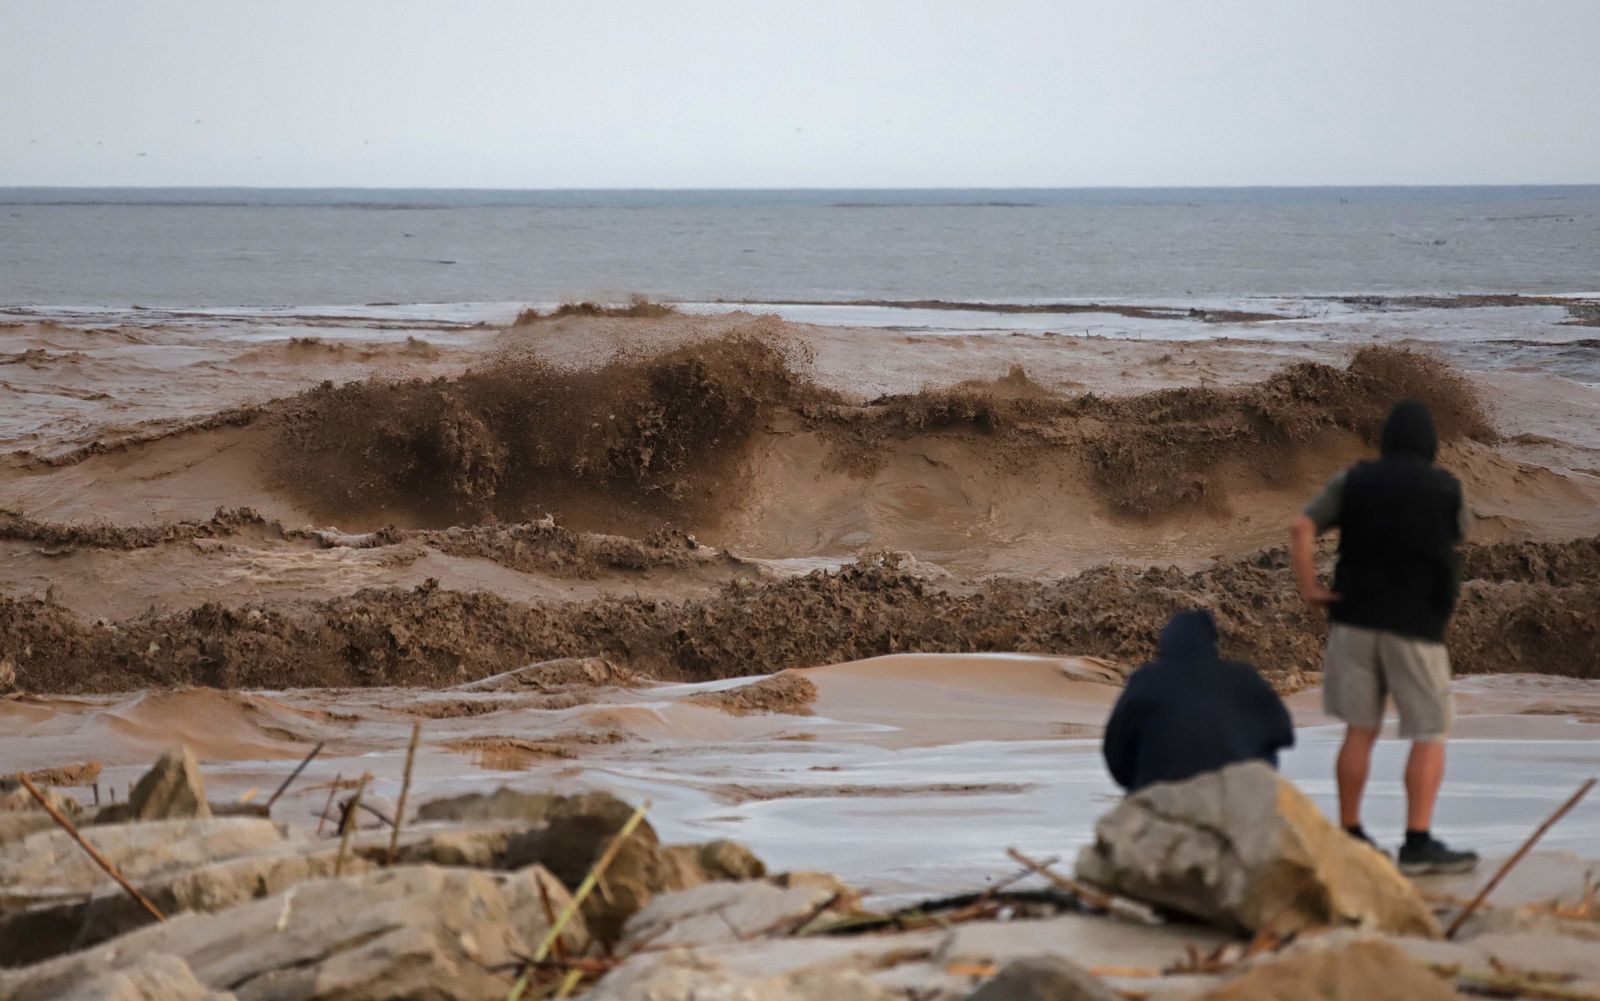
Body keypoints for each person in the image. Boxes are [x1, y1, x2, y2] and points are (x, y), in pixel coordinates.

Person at [1289, 398, 1478, 875]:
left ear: (1385, 441)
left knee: (1360, 731)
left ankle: (1350, 834)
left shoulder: (1353, 481)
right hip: (1416, 626)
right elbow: (1458, 536)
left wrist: (1310, 588)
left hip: (1354, 620)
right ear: (1431, 445)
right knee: (1430, 733)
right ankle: (1417, 843)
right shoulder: (1446, 490)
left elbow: (1302, 526)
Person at [1103, 609, 1294, 793]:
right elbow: (1283, 732)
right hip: (1230, 794)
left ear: (1165, 642)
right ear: (1211, 641)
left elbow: (1115, 748)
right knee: (1267, 751)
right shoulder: (1241, 675)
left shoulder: (1145, 678)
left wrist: (1135, 783)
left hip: (1162, 796)